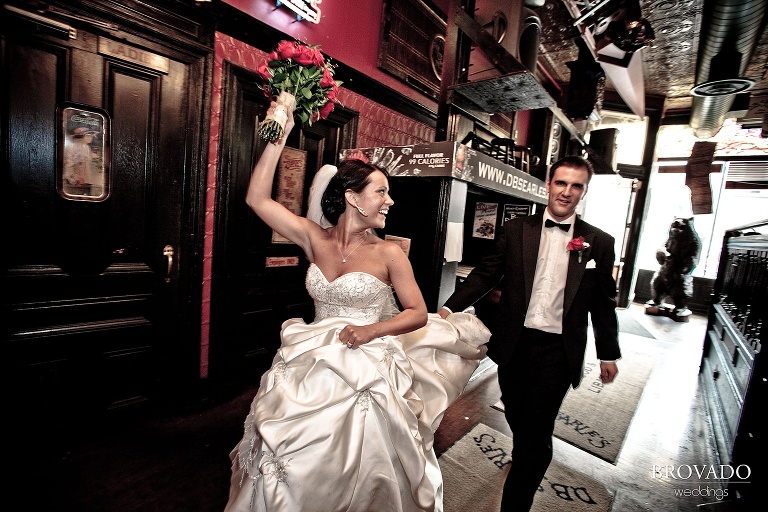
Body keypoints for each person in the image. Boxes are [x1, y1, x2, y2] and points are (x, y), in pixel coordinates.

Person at [224, 100, 490, 512]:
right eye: (381, 191)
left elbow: (417, 313)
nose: (390, 201)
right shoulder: (313, 237)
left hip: (366, 364)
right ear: (352, 197)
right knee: (288, 455)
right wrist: (281, 128)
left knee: (356, 459)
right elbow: (258, 198)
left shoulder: (390, 255)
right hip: (308, 361)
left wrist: (370, 331)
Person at [438, 155, 621, 511]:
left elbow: (603, 302)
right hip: (514, 346)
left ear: (584, 191)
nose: (566, 192)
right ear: (549, 185)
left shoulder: (598, 242)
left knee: (537, 433)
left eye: (576, 186)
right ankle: (524, 454)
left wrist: (608, 352)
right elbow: (484, 275)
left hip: (557, 351)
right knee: (518, 416)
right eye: (561, 183)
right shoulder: (517, 230)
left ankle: (516, 501)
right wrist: (447, 310)